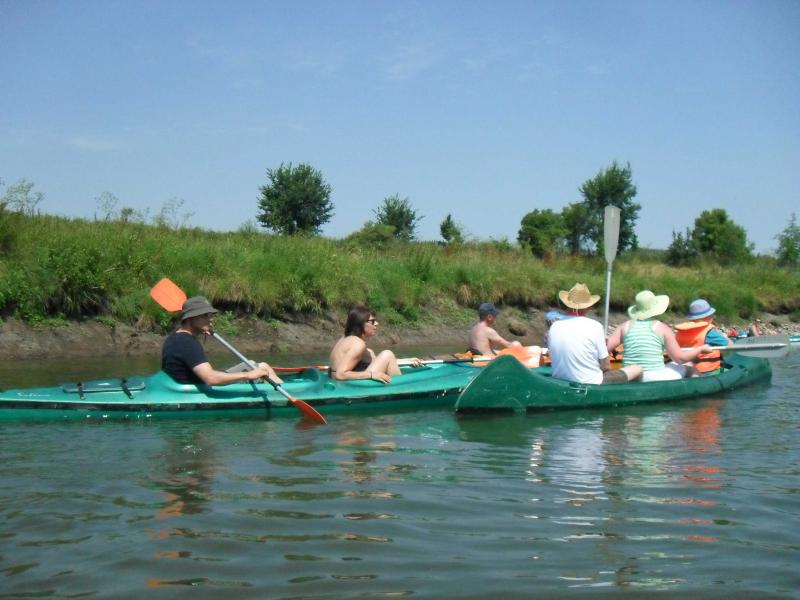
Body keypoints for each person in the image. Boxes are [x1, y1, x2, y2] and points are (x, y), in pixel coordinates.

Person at [162, 296, 281, 386]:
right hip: (199, 390)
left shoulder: (174, 337)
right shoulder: (187, 343)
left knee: (258, 365)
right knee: (264, 369)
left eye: (209, 315)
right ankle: (285, 399)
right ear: (190, 318)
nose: (210, 320)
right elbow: (210, 379)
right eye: (205, 316)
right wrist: (248, 375)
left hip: (190, 384)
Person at [606, 290, 713, 382]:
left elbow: (604, 350)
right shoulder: (662, 328)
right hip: (654, 377)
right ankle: (698, 389)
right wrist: (700, 349)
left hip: (630, 376)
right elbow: (680, 359)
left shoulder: (624, 327)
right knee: (689, 365)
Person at [548, 283, 642, 384]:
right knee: (637, 368)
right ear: (589, 307)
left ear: (567, 304)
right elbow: (606, 366)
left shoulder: (554, 326)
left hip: (560, 380)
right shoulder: (595, 326)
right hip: (591, 382)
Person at [329, 305, 414, 383]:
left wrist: (407, 361)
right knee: (387, 355)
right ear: (361, 323)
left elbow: (376, 361)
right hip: (348, 387)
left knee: (370, 352)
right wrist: (371, 375)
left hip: (340, 384)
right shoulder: (358, 344)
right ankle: (401, 388)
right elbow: (340, 374)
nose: (377, 324)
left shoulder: (346, 338)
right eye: (372, 321)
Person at [674, 299, 732, 374]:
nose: (713, 317)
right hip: (708, 371)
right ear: (708, 317)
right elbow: (730, 345)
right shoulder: (710, 332)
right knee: (730, 371)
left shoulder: (680, 331)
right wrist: (724, 336)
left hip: (685, 369)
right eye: (711, 315)